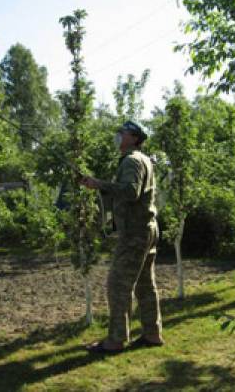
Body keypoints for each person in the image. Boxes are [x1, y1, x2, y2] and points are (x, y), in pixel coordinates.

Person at [81, 120, 163, 353]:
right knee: (146, 284)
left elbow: (130, 191)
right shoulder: (143, 159)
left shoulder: (132, 161)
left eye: (123, 133)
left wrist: (100, 184)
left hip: (135, 233)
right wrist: (99, 186)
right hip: (147, 228)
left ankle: (115, 340)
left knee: (118, 285)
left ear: (135, 138)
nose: (118, 135)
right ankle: (152, 334)